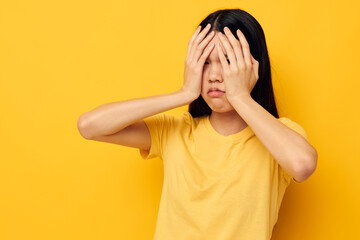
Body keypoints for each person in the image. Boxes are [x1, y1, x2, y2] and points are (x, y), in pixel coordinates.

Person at [77, 8, 318, 240]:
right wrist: (183, 93)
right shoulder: (176, 131)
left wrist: (240, 96)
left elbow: (303, 164)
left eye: (227, 61)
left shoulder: (280, 136)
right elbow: (89, 126)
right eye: (204, 63)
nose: (214, 75)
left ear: (253, 66)